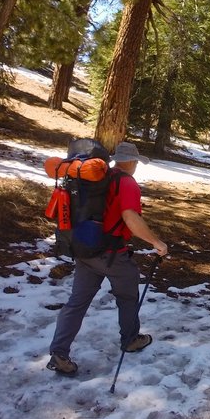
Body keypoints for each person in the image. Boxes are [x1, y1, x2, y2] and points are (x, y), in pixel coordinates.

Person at [47, 141, 169, 376]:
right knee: (127, 295)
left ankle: (59, 352)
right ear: (132, 162)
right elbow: (130, 217)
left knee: (77, 302)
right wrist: (156, 242)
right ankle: (131, 339)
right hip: (112, 254)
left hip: (85, 249)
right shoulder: (126, 182)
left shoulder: (99, 178)